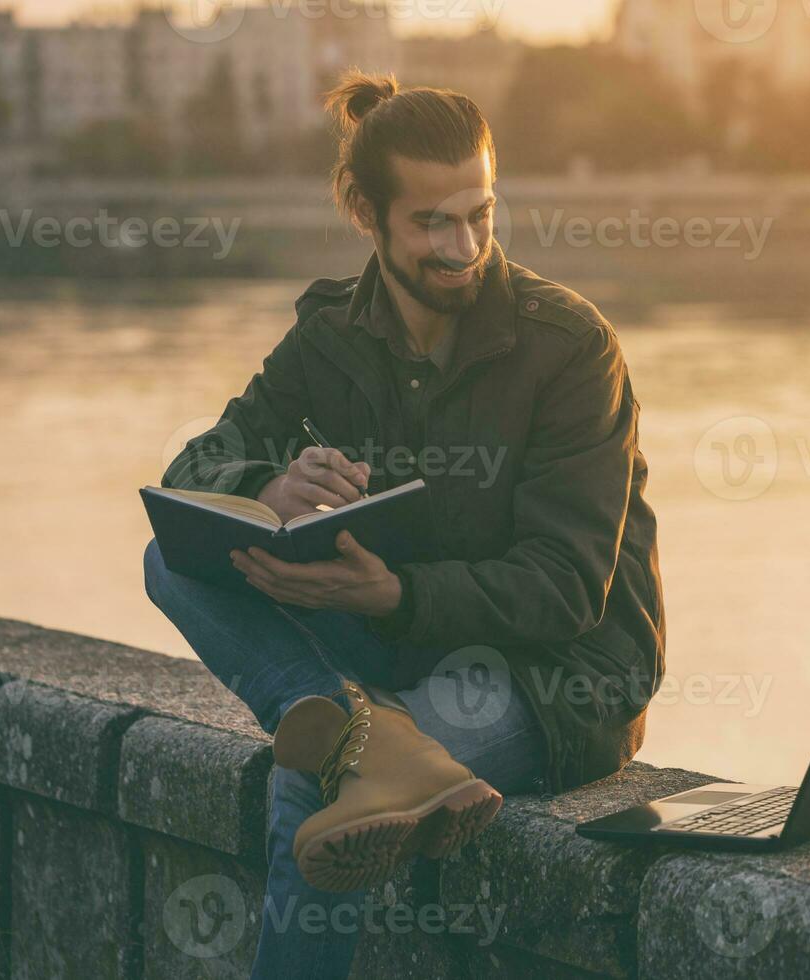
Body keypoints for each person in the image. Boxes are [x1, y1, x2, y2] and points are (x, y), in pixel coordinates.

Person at [143, 69, 664, 978]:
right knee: (170, 556)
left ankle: (353, 741)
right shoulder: (331, 333)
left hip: (551, 679)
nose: (462, 247)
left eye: (481, 214)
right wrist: (267, 489)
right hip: (392, 651)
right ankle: (367, 731)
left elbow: (569, 587)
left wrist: (397, 591)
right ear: (363, 210)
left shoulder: (572, 348)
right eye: (431, 221)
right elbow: (193, 466)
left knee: (306, 786)